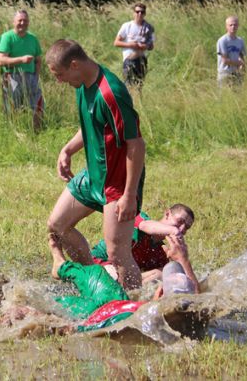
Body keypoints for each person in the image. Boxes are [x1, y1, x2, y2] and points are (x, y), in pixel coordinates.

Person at [45, 39, 146, 291]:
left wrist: (129, 195)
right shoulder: (82, 84)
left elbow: (136, 144)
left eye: (60, 74)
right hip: (94, 175)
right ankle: (96, 282)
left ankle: (132, 305)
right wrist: (68, 149)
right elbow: (93, 125)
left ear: (75, 64)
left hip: (118, 183)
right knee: (57, 225)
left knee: (117, 253)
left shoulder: (110, 93)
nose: (59, 81)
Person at [49, 235, 195, 332]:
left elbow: (89, 328)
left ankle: (61, 268)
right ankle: (60, 266)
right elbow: (196, 297)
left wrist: (71, 329)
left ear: (160, 292)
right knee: (96, 272)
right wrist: (183, 259)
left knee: (55, 303)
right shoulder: (189, 313)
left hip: (94, 313)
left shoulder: (136, 316)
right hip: (115, 299)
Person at [90, 204, 199, 292]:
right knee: (114, 278)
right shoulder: (138, 218)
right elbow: (146, 226)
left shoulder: (161, 253)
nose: (182, 229)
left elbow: (181, 283)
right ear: (167, 214)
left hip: (123, 275)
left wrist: (182, 259)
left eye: (187, 228)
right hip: (99, 262)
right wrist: (174, 231)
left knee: (161, 275)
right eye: (180, 221)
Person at [0, 10, 44, 131]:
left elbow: (38, 60)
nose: (23, 23)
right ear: (13, 22)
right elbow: (0, 60)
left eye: (25, 21)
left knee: (37, 106)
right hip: (12, 77)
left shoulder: (33, 38)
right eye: (20, 20)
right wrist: (21, 60)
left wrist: (36, 76)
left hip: (31, 77)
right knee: (12, 108)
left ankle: (36, 132)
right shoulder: (7, 37)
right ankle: (14, 133)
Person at [113, 3, 155, 88]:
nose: (139, 14)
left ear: (145, 14)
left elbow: (151, 46)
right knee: (128, 86)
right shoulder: (127, 26)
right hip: (129, 60)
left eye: (142, 12)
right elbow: (116, 43)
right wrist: (130, 45)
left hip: (142, 60)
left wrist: (146, 46)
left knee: (139, 86)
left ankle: (138, 101)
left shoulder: (149, 27)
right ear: (133, 13)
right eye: (137, 11)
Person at [216, 16, 247, 87]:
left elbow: (242, 56)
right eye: (230, 25)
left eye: (235, 25)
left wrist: (243, 68)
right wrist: (239, 63)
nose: (233, 27)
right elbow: (225, 60)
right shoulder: (222, 41)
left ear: (238, 26)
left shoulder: (240, 41)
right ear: (226, 26)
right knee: (224, 96)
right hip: (225, 73)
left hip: (237, 74)